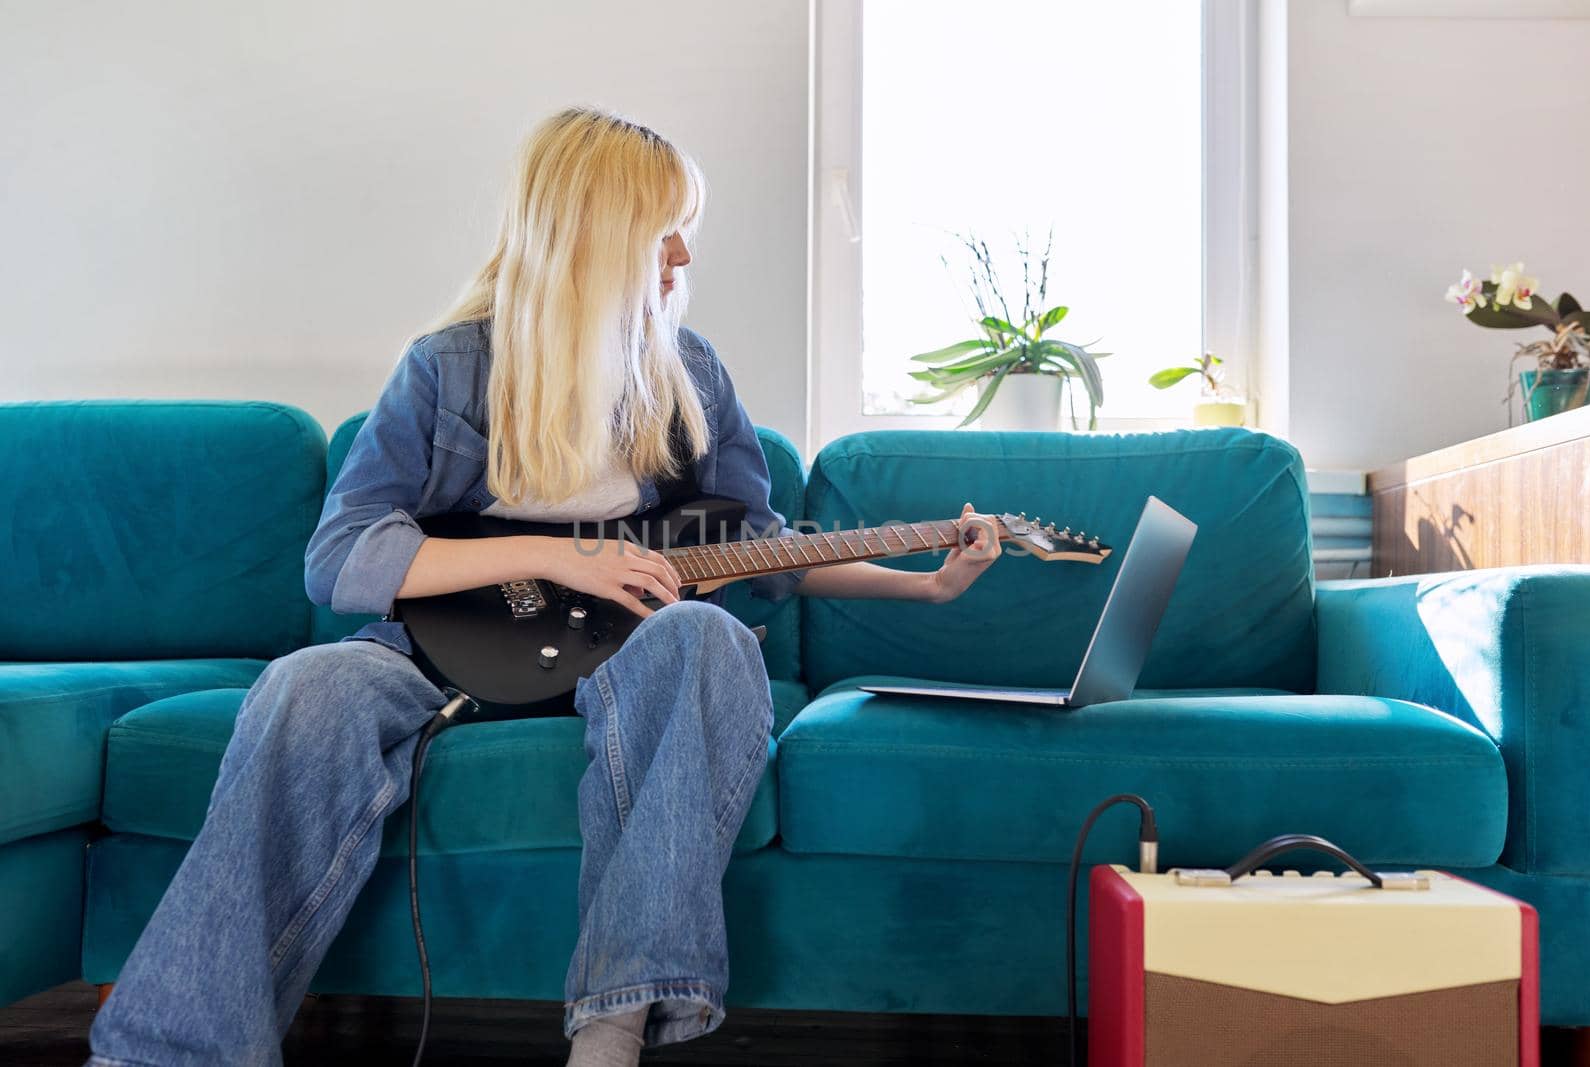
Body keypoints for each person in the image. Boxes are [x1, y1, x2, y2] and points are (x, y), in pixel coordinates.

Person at [85, 106, 1002, 1067]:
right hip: (444, 649)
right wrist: (551, 556)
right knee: (301, 686)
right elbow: (342, 554)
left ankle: (612, 1029)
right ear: (596, 234)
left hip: (634, 656)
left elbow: (757, 550)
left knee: (712, 638)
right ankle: (171, 1052)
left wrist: (927, 588)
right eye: (663, 229)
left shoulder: (691, 375)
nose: (683, 253)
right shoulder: (449, 366)